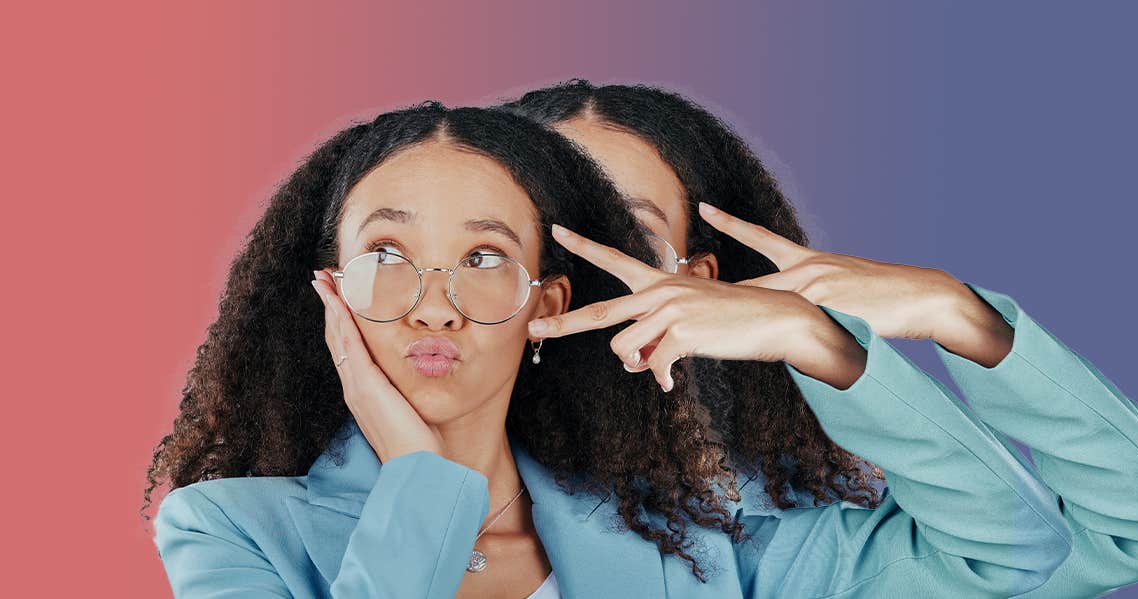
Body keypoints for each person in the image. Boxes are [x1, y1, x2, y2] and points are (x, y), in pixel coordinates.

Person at [146, 102, 1075, 598]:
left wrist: (820, 343)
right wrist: (421, 482)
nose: (433, 308)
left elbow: (1008, 552)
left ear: (546, 302)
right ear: (331, 289)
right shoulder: (229, 529)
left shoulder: (693, 543)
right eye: (387, 255)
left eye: (481, 257)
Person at [506, 80, 1138, 596]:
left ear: (705, 285)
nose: (578, 276)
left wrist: (955, 316)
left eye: (626, 237)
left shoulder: (768, 543)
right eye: (539, 233)